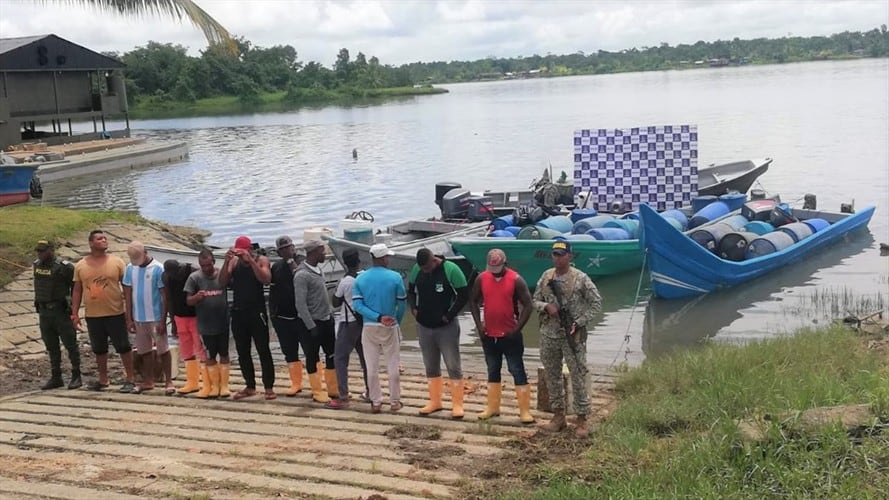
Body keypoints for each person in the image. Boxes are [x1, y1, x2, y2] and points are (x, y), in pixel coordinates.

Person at [532, 240, 602, 437]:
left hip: (572, 335)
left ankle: (582, 418)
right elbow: (534, 299)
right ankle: (558, 416)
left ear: (570, 256)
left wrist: (579, 322)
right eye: (554, 254)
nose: (557, 257)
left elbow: (596, 303)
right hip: (549, 334)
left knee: (578, 375)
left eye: (561, 254)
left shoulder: (581, 279)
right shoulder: (546, 276)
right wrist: (546, 307)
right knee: (552, 375)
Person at [469, 248, 535, 424]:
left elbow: (529, 305)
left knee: (517, 370)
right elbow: (473, 301)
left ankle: (524, 411)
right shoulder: (481, 278)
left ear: (505, 263)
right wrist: (479, 325)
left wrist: (517, 328)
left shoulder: (516, 280)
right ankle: (493, 407)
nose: (495, 272)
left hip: (510, 335)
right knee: (492, 369)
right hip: (489, 335)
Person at [71, 229, 136, 393]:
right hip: (93, 315)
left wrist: (130, 313)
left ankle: (130, 377)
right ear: (91, 243)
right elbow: (77, 290)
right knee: (99, 348)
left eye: (105, 238)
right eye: (100, 239)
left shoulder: (117, 262)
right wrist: (75, 314)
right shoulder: (81, 265)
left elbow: (127, 288)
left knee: (123, 346)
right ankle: (103, 379)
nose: (104, 240)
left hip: (115, 312)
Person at [407, 248, 469, 419]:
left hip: (445, 326)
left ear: (433, 260)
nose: (424, 271)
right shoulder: (416, 269)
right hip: (424, 326)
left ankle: (457, 404)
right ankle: (435, 401)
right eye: (422, 269)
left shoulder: (451, 269)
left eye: (426, 268)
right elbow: (410, 291)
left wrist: (449, 315)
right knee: (430, 365)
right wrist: (413, 309)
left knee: (453, 365)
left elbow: (463, 295)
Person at [218, 236, 275, 400]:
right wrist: (225, 262)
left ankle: (269, 387)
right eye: (238, 252)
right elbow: (221, 283)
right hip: (238, 311)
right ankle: (250, 385)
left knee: (263, 349)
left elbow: (266, 279)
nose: (240, 256)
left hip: (257, 311)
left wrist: (250, 261)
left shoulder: (261, 260)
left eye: (242, 252)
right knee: (242, 351)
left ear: (249, 249)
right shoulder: (234, 262)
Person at [352, 243, 407, 413]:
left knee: (371, 365)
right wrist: (394, 319)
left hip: (369, 326)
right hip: (389, 325)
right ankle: (394, 401)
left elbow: (357, 305)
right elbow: (402, 303)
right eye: (387, 257)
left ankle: (376, 401)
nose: (388, 259)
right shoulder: (395, 277)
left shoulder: (360, 278)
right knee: (392, 363)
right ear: (383, 258)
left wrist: (376, 316)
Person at [123, 242, 173, 394]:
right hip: (139, 317)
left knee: (163, 349)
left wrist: (164, 320)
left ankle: (168, 381)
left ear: (145, 252)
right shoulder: (130, 268)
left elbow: (165, 296)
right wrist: (129, 318)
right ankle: (148, 380)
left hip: (155, 317)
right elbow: (128, 293)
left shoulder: (158, 268)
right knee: (144, 350)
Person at [32, 240, 81, 390]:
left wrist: (74, 310)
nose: (40, 254)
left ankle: (76, 375)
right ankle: (56, 376)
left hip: (61, 311)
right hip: (44, 312)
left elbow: (76, 287)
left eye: (43, 251)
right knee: (51, 345)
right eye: (38, 251)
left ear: (51, 250)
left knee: (70, 344)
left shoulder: (64, 267)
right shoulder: (36, 265)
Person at [325, 248, 370, 409]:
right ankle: (371, 392)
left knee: (340, 359)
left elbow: (336, 303)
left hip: (348, 322)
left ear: (344, 262)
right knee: (366, 360)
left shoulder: (346, 281)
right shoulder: (364, 277)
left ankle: (343, 397)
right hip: (362, 322)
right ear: (358, 261)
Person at [293, 240, 337, 403]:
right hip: (311, 324)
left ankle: (333, 388)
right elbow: (300, 303)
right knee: (312, 357)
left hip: (326, 319)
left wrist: (330, 315)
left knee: (331, 353)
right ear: (313, 253)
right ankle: (317, 390)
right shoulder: (301, 275)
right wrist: (311, 325)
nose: (324, 254)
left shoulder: (319, 270)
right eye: (322, 251)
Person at [185, 249, 231, 398]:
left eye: (208, 265)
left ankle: (224, 386)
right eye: (202, 265)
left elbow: (227, 281)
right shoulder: (194, 278)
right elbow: (188, 300)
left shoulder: (221, 276)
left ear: (213, 262)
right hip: (206, 324)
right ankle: (214, 386)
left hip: (222, 322)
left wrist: (228, 261)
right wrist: (197, 297)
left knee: (224, 353)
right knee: (210, 356)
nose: (206, 268)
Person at [269, 235, 305, 397]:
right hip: (282, 317)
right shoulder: (276, 267)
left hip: (302, 317)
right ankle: (296, 383)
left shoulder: (303, 262)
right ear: (278, 252)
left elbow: (299, 277)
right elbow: (272, 291)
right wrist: (273, 315)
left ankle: (318, 384)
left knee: (310, 351)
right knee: (289, 351)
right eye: (283, 249)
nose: (287, 250)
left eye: (289, 247)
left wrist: (291, 261)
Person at [163, 259, 203, 394]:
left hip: (195, 316)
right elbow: (169, 299)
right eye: (171, 274)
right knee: (186, 350)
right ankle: (192, 382)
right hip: (180, 317)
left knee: (201, 349)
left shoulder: (192, 270)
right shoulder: (167, 277)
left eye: (176, 272)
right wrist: (172, 321)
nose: (174, 276)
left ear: (180, 267)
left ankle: (208, 381)